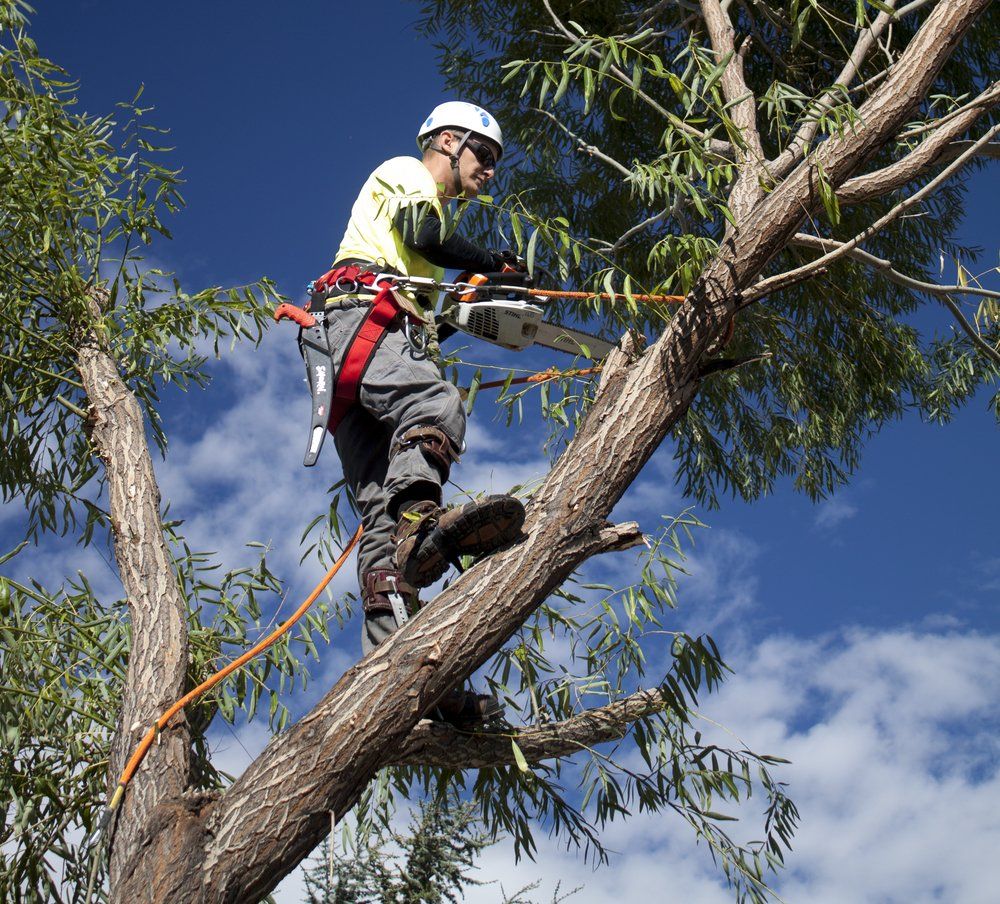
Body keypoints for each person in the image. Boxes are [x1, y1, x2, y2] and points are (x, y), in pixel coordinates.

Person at [315, 102, 525, 724]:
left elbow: (425, 332)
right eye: (483, 156)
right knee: (434, 401)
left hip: (359, 345)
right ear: (449, 142)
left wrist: (479, 298)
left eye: (494, 163)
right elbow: (424, 236)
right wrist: (493, 262)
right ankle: (421, 521)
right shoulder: (409, 173)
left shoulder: (422, 259)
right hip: (360, 317)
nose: (488, 171)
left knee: (378, 518)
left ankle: (400, 683)